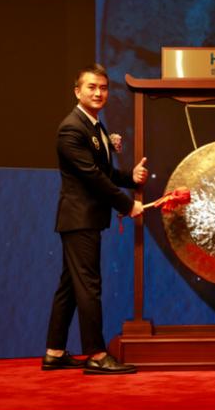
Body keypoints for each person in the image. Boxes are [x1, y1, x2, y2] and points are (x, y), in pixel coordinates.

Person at [42, 63, 148, 375]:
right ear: (78, 91)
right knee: (89, 287)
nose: (98, 93)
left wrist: (130, 177)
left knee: (70, 286)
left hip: (86, 218)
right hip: (80, 219)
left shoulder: (95, 126)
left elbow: (105, 172)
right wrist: (127, 205)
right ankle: (97, 355)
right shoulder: (71, 128)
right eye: (91, 87)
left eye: (103, 88)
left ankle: (54, 353)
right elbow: (92, 177)